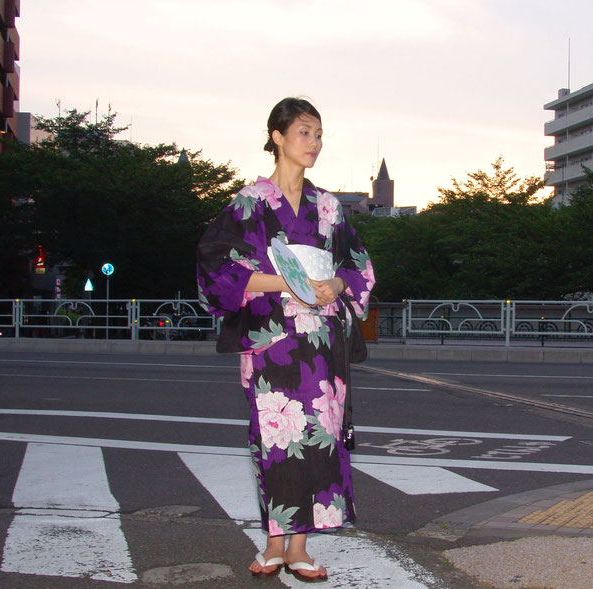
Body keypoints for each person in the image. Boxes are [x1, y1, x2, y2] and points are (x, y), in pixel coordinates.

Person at [196, 97, 375, 582]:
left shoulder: (330, 207)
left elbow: (358, 265)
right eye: (304, 132)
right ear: (277, 137)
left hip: (321, 344)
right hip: (271, 341)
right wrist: (287, 282)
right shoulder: (248, 203)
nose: (314, 143)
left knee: (320, 441)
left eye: (319, 134)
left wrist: (336, 285)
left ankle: (298, 548)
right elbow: (217, 269)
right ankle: (275, 543)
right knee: (275, 439)